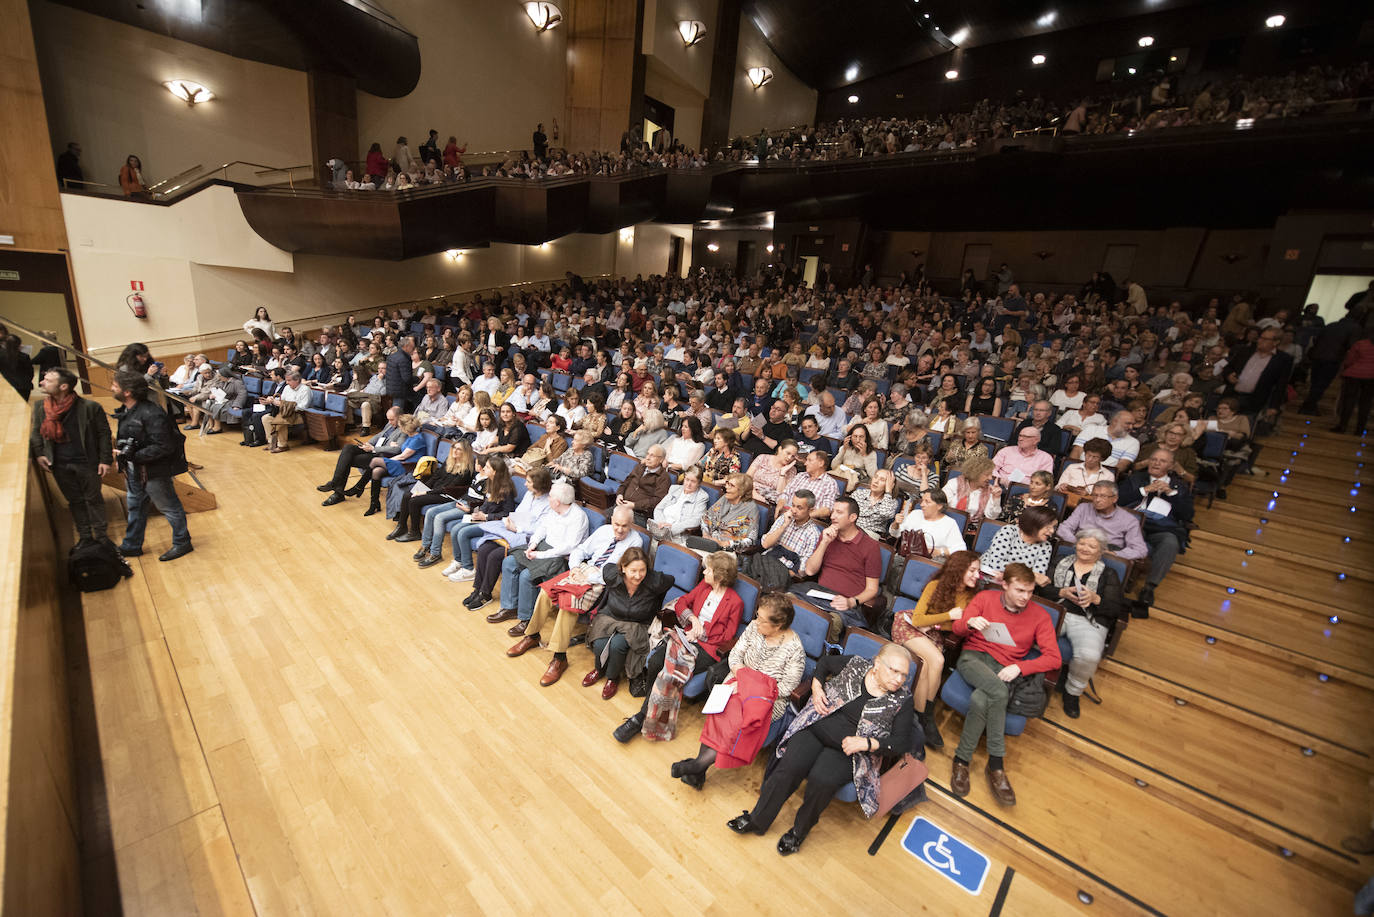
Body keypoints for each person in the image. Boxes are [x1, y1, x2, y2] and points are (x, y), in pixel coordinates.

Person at [726, 643, 913, 856]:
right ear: (877, 664)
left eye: (904, 675)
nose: (899, 679)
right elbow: (824, 663)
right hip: (817, 726)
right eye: (894, 671)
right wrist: (816, 688)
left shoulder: (902, 700)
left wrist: (867, 743)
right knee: (789, 767)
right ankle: (757, 820)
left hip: (849, 749)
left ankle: (798, 832)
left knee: (821, 781)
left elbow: (902, 742)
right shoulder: (856, 665)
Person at [948, 563, 1062, 806]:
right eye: (1020, 590)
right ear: (1005, 585)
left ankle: (961, 760)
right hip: (973, 658)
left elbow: (1054, 658)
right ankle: (997, 764)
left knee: (981, 699)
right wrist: (970, 623)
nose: (1025, 597)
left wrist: (1021, 667)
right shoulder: (985, 598)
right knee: (998, 692)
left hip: (1004, 667)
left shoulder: (1039, 615)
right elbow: (957, 629)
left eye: (1030, 592)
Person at [666, 594, 806, 789]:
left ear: (778, 624)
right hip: (735, 682)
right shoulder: (754, 628)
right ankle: (697, 772)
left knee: (733, 723)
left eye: (762, 620)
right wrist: (740, 679)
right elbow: (735, 656)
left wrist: (749, 686)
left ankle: (697, 765)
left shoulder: (795, 650)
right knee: (718, 710)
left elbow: (786, 688)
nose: (756, 621)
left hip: (764, 701)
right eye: (757, 615)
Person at [612, 551, 745, 742]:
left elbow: (728, 635)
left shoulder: (735, 602)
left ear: (720, 575)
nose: (704, 571)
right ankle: (649, 709)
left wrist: (701, 631)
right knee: (656, 661)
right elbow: (682, 603)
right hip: (685, 636)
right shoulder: (704, 586)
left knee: (669, 672)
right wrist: (693, 620)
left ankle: (640, 718)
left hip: (707, 648)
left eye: (709, 569)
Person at [506, 506, 643, 685]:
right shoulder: (603, 531)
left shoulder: (635, 542)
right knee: (546, 591)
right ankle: (532, 636)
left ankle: (559, 657)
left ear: (631, 524)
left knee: (569, 603)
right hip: (582, 570)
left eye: (624, 526)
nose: (619, 529)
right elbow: (580, 550)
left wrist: (589, 576)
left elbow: (619, 574)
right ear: (611, 521)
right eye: (616, 524)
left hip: (603, 580)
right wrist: (576, 567)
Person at [894, 550, 983, 747]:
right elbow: (917, 619)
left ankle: (918, 718)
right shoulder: (935, 586)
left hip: (932, 633)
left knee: (926, 666)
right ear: (959, 570)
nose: (978, 576)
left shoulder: (970, 596)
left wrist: (936, 624)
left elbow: (958, 627)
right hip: (907, 624)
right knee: (938, 660)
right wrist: (948, 615)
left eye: (978, 571)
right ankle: (927, 717)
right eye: (973, 570)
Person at [1038, 530, 1126, 718]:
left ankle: (1073, 692)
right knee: (1032, 636)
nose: (1085, 548)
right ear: (1075, 544)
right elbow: (1041, 589)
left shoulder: (1108, 574)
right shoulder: (1060, 561)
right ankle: (1033, 676)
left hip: (1088, 619)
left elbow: (1114, 608)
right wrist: (1061, 592)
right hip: (1056, 611)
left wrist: (1095, 599)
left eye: (1092, 546)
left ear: (1101, 551)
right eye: (1082, 543)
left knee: (1089, 655)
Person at [110, 370, 192, 561]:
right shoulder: (127, 410)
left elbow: (165, 446)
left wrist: (134, 455)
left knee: (169, 507)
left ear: (127, 391)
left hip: (154, 471)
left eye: (115, 386)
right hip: (135, 470)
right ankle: (132, 545)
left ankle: (182, 542)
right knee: (135, 506)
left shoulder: (152, 413)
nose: (112, 388)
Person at [30, 367, 112, 545]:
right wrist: (39, 454)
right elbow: (36, 432)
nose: (42, 382)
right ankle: (85, 537)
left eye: (48, 380)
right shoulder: (40, 407)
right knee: (74, 501)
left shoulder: (90, 407)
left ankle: (102, 537)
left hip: (87, 463)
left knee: (94, 499)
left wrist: (105, 460)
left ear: (63, 386)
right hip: (59, 464)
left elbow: (103, 434)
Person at [582, 547, 675, 699]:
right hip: (611, 617)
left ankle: (612, 678)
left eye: (642, 570)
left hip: (637, 623)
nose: (638, 575)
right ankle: (599, 670)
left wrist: (653, 588)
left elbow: (670, 580)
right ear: (623, 568)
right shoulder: (612, 575)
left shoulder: (654, 580)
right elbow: (607, 567)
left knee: (617, 645)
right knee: (599, 643)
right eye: (633, 571)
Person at [493, 481, 590, 627]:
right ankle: (509, 607)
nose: (548, 498)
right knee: (509, 562)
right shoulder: (554, 510)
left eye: (550, 496)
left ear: (557, 502)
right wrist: (533, 544)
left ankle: (527, 619)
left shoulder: (578, 517)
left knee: (528, 575)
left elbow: (568, 547)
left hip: (559, 557)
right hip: (543, 548)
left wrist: (539, 554)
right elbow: (542, 528)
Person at [795, 496, 883, 633]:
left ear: (852, 517)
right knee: (785, 601)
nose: (833, 516)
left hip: (844, 603)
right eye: (833, 511)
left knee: (829, 623)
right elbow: (810, 571)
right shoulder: (827, 536)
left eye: (839, 513)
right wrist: (824, 542)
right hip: (819, 593)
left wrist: (852, 602)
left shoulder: (871, 546)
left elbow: (872, 589)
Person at [1119, 448, 1195, 608]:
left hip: (1163, 528)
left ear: (1171, 466)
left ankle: (1149, 587)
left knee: (1170, 543)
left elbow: (1187, 514)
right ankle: (1122, 576)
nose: (1156, 463)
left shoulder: (1179, 486)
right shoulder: (1136, 478)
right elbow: (1118, 499)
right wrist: (1143, 490)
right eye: (1153, 459)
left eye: (1162, 461)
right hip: (1136, 522)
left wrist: (1171, 493)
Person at [1058, 481, 1148, 564]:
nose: (1097, 500)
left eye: (1103, 496)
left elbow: (1140, 550)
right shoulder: (1083, 508)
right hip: (1078, 548)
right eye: (1095, 495)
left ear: (1115, 499)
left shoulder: (1129, 520)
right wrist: (1079, 543)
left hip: (1106, 554)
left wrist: (1115, 554)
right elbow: (1063, 528)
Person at [361, 414, 425, 516]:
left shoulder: (418, 439)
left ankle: (360, 486)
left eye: (400, 426)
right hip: (401, 463)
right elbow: (403, 449)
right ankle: (374, 503)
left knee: (375, 461)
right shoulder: (411, 436)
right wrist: (394, 445)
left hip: (408, 467)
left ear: (404, 427)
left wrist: (386, 460)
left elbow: (403, 456)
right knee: (376, 471)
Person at [978, 505, 1059, 585]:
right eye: (1048, 527)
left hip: (1015, 585)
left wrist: (1010, 575)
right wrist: (1030, 574)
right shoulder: (1009, 531)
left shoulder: (1046, 546)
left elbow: (1038, 579)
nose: (1052, 531)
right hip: (986, 578)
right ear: (1035, 524)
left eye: (1054, 527)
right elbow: (995, 564)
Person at [689, 473, 760, 553]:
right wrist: (705, 534)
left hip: (728, 551)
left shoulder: (751, 509)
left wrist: (724, 543)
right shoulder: (725, 499)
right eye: (727, 483)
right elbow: (706, 518)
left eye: (731, 485)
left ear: (741, 491)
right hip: (710, 543)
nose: (726, 487)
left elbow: (750, 540)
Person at [895, 488, 965, 558]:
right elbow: (896, 534)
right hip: (908, 555)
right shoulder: (915, 514)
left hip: (933, 560)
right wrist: (896, 524)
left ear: (939, 506)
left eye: (927, 502)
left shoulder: (949, 523)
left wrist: (940, 552)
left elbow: (961, 548)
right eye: (922, 501)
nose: (922, 504)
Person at [647, 466, 710, 542]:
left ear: (699, 483)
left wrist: (672, 528)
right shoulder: (674, 489)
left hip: (677, 536)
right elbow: (658, 508)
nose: (688, 484)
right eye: (687, 480)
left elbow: (696, 520)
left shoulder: (702, 497)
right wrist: (662, 524)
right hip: (659, 529)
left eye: (693, 481)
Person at [1333, 328, 1374, 434]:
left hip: (1354, 375)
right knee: (1365, 403)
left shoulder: (1360, 344)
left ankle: (1342, 426)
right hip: (1371, 378)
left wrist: (1345, 369)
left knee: (1349, 401)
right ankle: (1360, 430)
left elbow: (1350, 359)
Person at [262, 370, 313, 453]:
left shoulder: (305, 390)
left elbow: (303, 407)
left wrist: (285, 405)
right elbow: (283, 400)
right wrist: (273, 400)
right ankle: (272, 443)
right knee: (266, 418)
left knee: (280, 421)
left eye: (289, 380)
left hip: (299, 414)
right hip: (285, 412)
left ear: (297, 380)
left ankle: (282, 446)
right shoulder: (287, 388)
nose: (287, 382)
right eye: (286, 380)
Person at [852, 469, 901, 541]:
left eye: (882, 479)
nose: (876, 481)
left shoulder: (891, 502)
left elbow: (885, 513)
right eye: (875, 477)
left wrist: (888, 492)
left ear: (889, 485)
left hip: (870, 535)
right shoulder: (859, 493)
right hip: (851, 528)